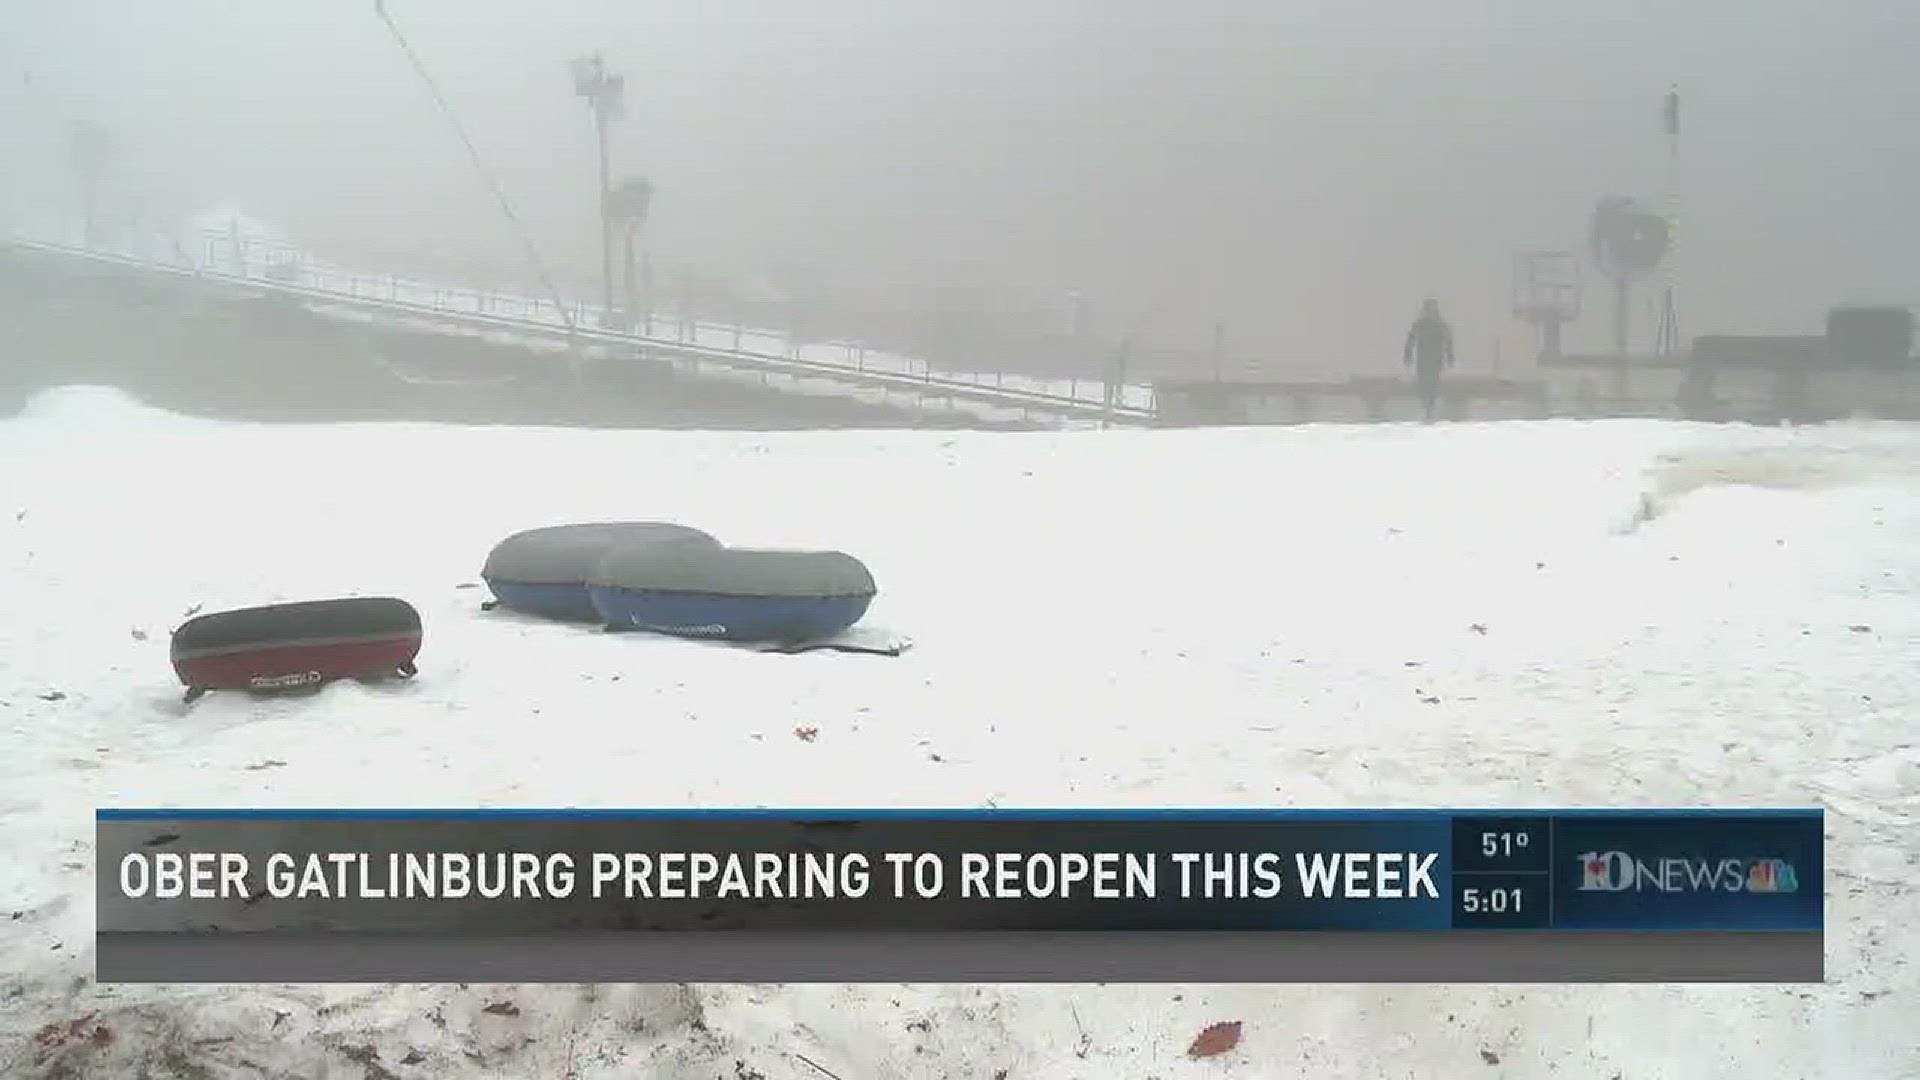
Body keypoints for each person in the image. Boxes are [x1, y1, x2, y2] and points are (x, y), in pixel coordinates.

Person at [1403, 298, 1455, 421]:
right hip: (1424, 358)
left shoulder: (1439, 324)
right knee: (1424, 383)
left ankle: (1429, 408)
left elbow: (1448, 341)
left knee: (1433, 383)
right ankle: (1427, 407)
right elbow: (1411, 340)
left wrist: (1450, 356)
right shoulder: (1421, 324)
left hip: (1434, 359)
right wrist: (1408, 356)